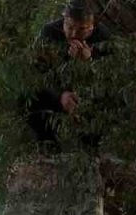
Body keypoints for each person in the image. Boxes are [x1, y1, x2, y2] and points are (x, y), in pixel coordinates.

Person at [27, 1, 113, 145]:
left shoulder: (103, 37)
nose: (74, 34)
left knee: (106, 103)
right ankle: (47, 146)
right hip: (57, 90)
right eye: (70, 27)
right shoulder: (50, 33)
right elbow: (37, 73)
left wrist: (89, 61)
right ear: (64, 20)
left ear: (92, 26)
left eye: (82, 29)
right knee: (31, 98)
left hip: (88, 93)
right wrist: (60, 95)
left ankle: (91, 148)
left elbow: (108, 78)